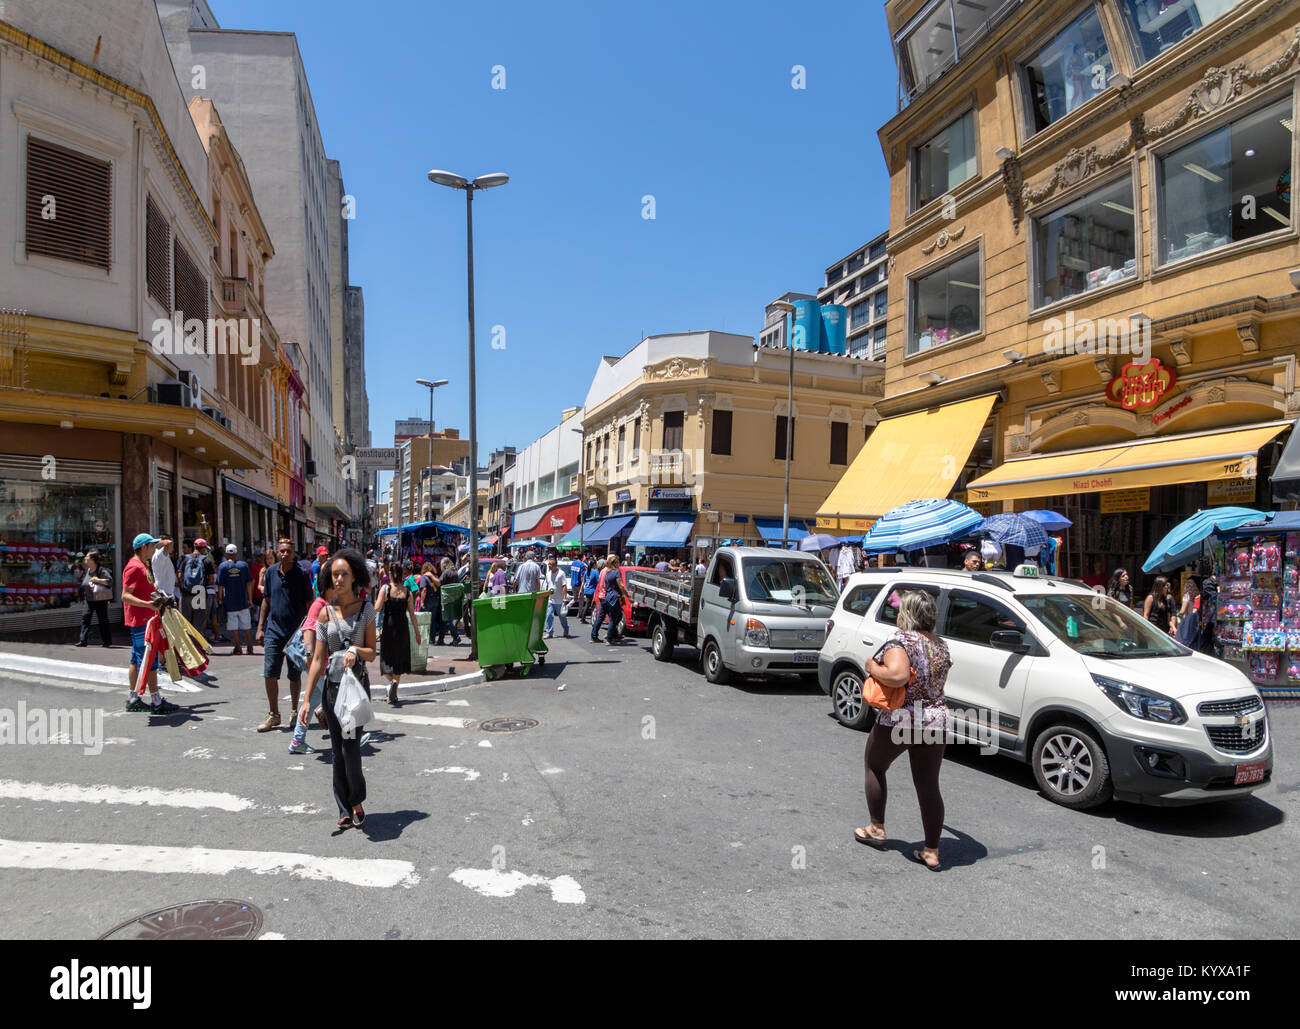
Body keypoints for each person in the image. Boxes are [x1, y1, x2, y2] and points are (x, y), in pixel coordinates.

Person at [854, 590, 951, 871]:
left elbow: (896, 676)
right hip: (934, 720)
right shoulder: (941, 644)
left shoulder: (901, 642)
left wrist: (873, 666)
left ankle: (876, 828)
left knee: (875, 766)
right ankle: (931, 850)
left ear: (905, 613)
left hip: (902, 719)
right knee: (928, 784)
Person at [300, 549, 377, 830]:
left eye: (344, 574)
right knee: (337, 750)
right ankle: (344, 808)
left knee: (351, 751)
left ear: (354, 575)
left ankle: (356, 799)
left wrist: (356, 650)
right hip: (331, 691)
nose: (340, 579)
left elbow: (372, 653)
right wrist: (307, 699)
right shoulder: (324, 613)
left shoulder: (366, 609)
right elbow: (318, 659)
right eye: (335, 575)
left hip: (354, 691)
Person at [255, 538, 312, 733]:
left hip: (295, 633)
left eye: (288, 551)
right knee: (270, 673)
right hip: (274, 631)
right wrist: (260, 627)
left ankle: (295, 711)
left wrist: (309, 630)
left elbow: (309, 604)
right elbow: (266, 601)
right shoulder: (271, 572)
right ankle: (274, 714)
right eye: (282, 551)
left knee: (294, 675)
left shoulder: (302, 574)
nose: (285, 554)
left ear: (294, 554)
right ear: (277, 553)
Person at [120, 532, 180, 714]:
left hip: (146, 618)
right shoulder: (133, 567)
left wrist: (159, 598)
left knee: (136, 658)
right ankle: (156, 701)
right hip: (141, 620)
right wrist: (147, 604)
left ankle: (133, 698)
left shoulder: (142, 565)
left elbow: (145, 590)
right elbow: (125, 595)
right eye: (152, 546)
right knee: (149, 659)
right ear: (144, 547)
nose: (154, 549)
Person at [289, 566, 336, 755]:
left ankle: (297, 740)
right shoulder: (319, 605)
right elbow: (308, 629)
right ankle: (348, 739)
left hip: (323, 663)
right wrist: (309, 654)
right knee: (337, 699)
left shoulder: (329, 604)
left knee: (316, 699)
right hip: (318, 664)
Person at [376, 561, 420, 705]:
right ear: (402, 574)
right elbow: (412, 615)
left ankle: (392, 682)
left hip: (388, 628)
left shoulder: (386, 589)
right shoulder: (407, 592)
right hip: (403, 629)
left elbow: (376, 608)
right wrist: (417, 633)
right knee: (399, 660)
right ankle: (395, 690)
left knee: (386, 659)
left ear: (390, 574)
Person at [217, 543, 255, 655]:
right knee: (246, 624)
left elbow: (220, 585)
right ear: (236, 553)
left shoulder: (222, 566)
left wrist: (220, 598)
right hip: (243, 600)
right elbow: (249, 583)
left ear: (226, 553)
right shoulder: (243, 566)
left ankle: (238, 647)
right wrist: (250, 599)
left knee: (233, 626)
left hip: (230, 601)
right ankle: (250, 646)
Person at [76, 549, 113, 648]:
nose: (85, 558)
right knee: (85, 618)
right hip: (89, 599)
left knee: (103, 620)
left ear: (92, 559)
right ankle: (83, 640)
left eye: (87, 557)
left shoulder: (101, 570)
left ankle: (107, 641)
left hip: (100, 600)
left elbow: (109, 581)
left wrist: (97, 580)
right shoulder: (87, 569)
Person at [590, 554, 627, 645]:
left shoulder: (603, 571)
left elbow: (601, 583)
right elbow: (619, 585)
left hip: (603, 596)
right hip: (609, 596)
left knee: (601, 617)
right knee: (614, 618)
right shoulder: (612, 571)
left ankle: (595, 636)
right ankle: (611, 637)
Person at [544, 555, 570, 638]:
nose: (549, 566)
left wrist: (565, 598)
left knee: (562, 617)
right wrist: (546, 595)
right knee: (549, 616)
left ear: (555, 565)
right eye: (548, 564)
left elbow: (564, 586)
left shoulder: (561, 573)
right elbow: (548, 585)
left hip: (559, 600)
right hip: (550, 599)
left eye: (550, 564)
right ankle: (549, 632)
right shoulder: (548, 574)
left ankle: (566, 629)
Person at [152, 535, 180, 607]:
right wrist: (164, 541)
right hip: (164, 594)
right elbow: (167, 542)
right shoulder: (160, 554)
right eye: (172, 544)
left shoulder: (165, 555)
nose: (173, 546)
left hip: (168, 593)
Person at [582, 557, 600, 622]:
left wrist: (581, 589)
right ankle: (584, 618)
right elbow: (598, 581)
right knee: (591, 605)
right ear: (594, 565)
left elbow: (583, 581)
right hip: (592, 591)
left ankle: (583, 617)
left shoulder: (587, 571)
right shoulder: (595, 572)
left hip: (587, 590)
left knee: (587, 604)